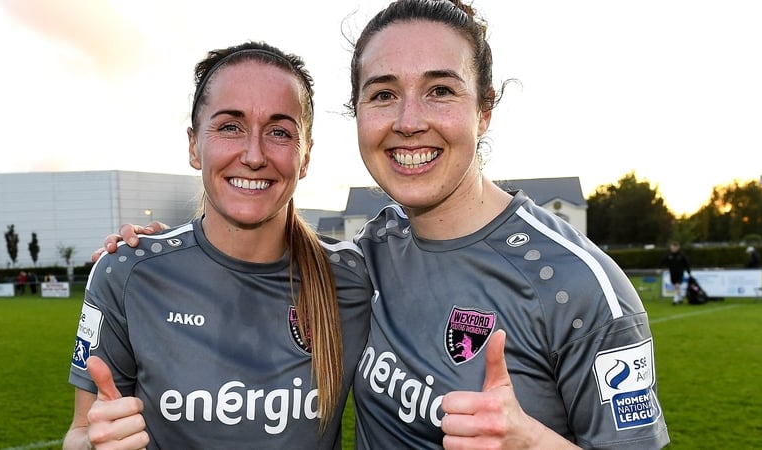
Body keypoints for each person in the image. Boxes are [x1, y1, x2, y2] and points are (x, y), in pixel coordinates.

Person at [98, 1, 670, 448]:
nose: (408, 121)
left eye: (440, 90)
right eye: (383, 94)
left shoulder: (579, 287)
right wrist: (158, 250)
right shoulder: (369, 256)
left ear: (485, 109)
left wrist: (533, 444)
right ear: (358, 114)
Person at [64, 41, 372, 450]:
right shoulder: (126, 273)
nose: (254, 155)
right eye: (230, 126)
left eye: (279, 132)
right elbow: (80, 433)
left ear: (306, 156)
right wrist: (94, 445)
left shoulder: (354, 278)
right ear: (194, 145)